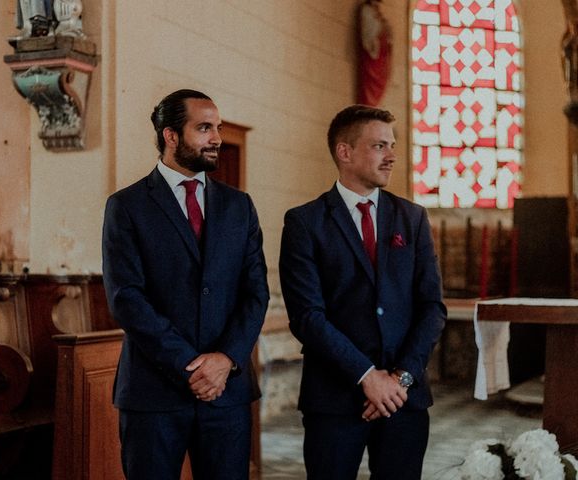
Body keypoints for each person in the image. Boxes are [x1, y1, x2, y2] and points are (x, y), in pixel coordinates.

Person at [102, 89, 269, 480]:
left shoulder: (239, 206)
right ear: (170, 135)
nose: (216, 138)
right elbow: (126, 297)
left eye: (218, 128)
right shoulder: (127, 206)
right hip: (153, 393)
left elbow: (256, 292)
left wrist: (225, 360)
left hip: (227, 393)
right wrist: (191, 367)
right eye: (204, 128)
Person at [279, 105, 446, 479]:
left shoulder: (413, 218)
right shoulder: (305, 222)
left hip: (404, 401)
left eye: (392, 145)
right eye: (379, 146)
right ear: (345, 152)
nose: (391, 156)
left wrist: (399, 379)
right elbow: (307, 316)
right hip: (335, 401)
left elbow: (432, 307)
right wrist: (368, 378)